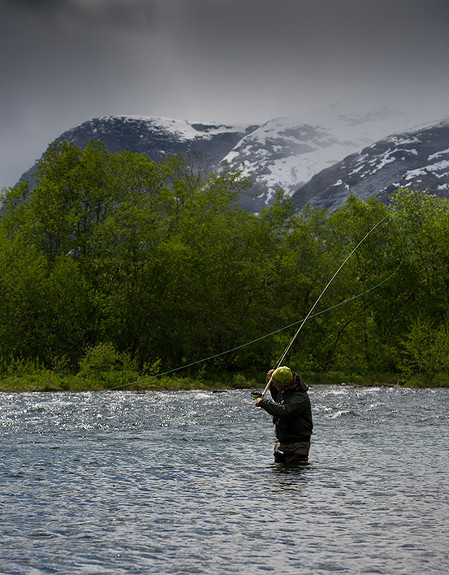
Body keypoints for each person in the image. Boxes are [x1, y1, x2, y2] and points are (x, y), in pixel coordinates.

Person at [255, 365, 313, 464]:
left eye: (275, 384)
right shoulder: (287, 389)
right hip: (282, 444)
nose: (273, 385)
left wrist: (263, 402)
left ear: (285, 385)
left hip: (297, 446)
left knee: (294, 478)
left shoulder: (300, 397)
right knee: (280, 478)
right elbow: (279, 400)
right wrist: (273, 379)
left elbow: (284, 411)